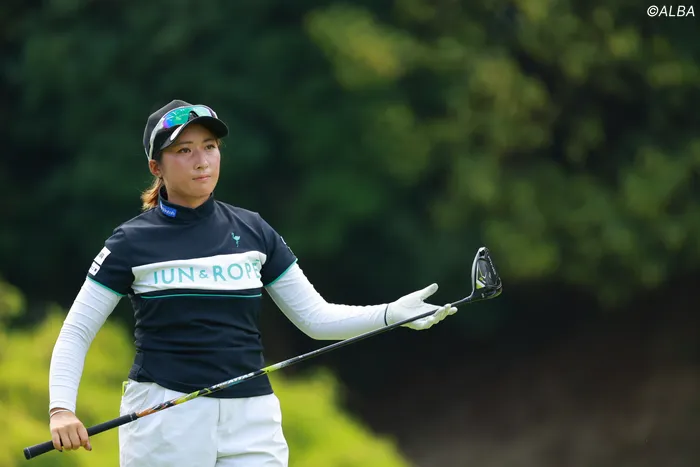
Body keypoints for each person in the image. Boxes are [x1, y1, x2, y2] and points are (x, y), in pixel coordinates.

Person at [47, 100, 457, 467]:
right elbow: (77, 330)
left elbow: (315, 318)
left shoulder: (253, 230)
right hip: (166, 414)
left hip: (252, 416)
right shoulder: (131, 242)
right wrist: (61, 410)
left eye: (209, 146)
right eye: (184, 150)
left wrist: (392, 314)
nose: (201, 161)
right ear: (157, 167)